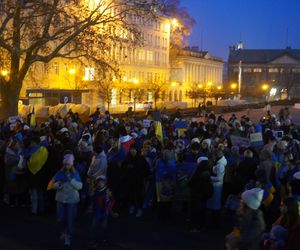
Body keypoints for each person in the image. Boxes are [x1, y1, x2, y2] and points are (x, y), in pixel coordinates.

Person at [53, 153, 82, 247]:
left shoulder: (75, 173)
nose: (66, 166)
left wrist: (71, 180)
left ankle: (68, 236)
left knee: (70, 219)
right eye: (65, 164)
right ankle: (64, 231)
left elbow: (79, 186)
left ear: (72, 164)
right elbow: (54, 185)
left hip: (71, 200)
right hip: (61, 199)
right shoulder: (59, 173)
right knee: (60, 218)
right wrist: (58, 185)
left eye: (68, 164)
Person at [188, 158, 213, 231]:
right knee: (202, 211)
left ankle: (197, 227)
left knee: (197, 211)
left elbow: (191, 183)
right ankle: (202, 225)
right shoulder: (207, 173)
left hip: (197, 195)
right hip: (204, 195)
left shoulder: (198, 173)